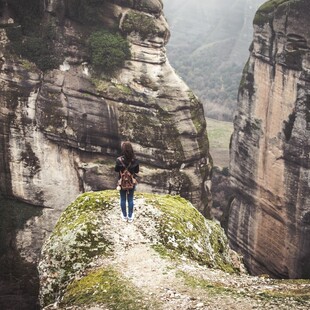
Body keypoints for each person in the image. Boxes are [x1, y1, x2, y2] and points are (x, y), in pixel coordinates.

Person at [115, 141, 139, 222]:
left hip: (121, 182)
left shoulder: (119, 160)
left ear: (123, 149)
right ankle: (130, 216)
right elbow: (137, 171)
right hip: (131, 181)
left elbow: (116, 170)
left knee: (122, 199)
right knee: (130, 199)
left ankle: (124, 216)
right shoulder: (135, 160)